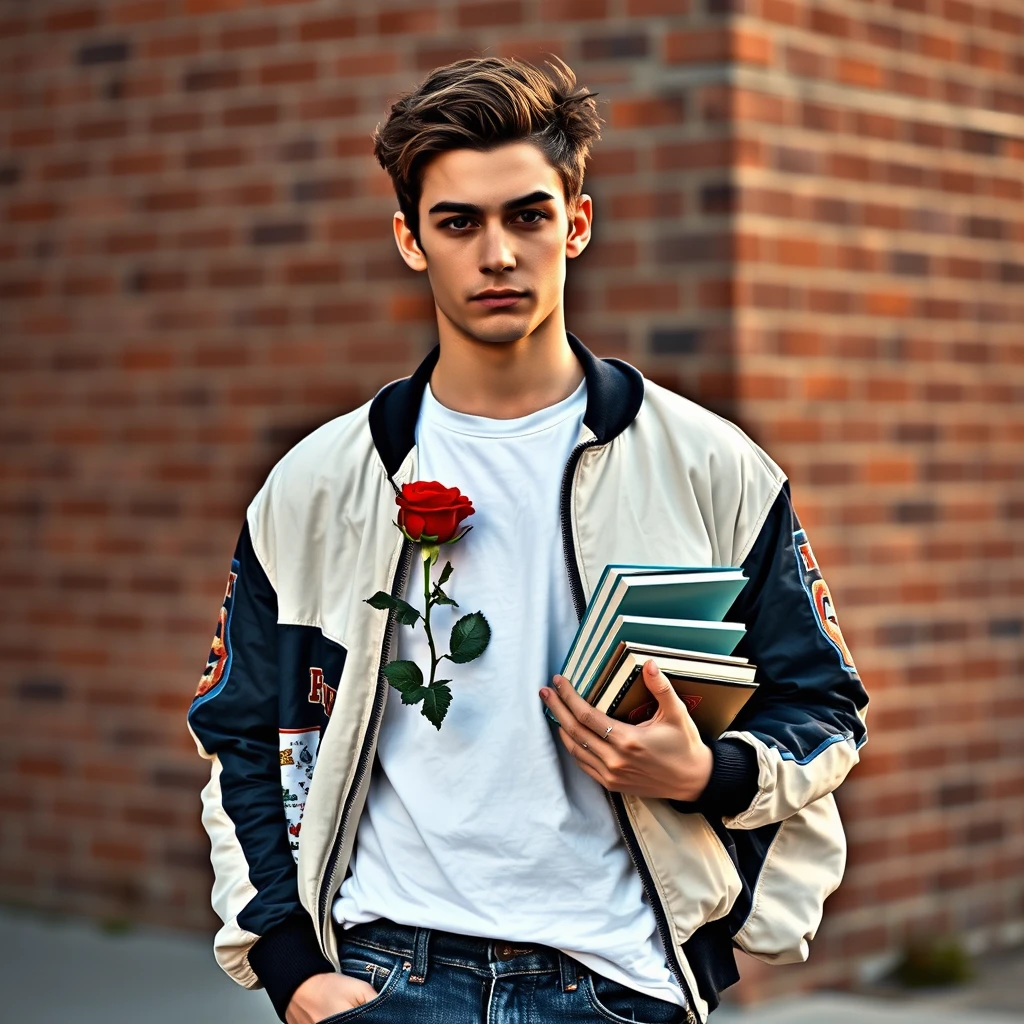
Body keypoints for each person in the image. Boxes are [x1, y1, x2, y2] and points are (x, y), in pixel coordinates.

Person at [187, 55, 869, 1024]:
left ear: (575, 224)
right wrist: (291, 966)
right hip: (383, 967)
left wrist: (706, 771)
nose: (496, 253)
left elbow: (826, 704)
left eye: (527, 216)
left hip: (620, 976)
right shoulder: (314, 486)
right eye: (458, 222)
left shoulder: (712, 467)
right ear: (410, 239)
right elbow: (242, 732)